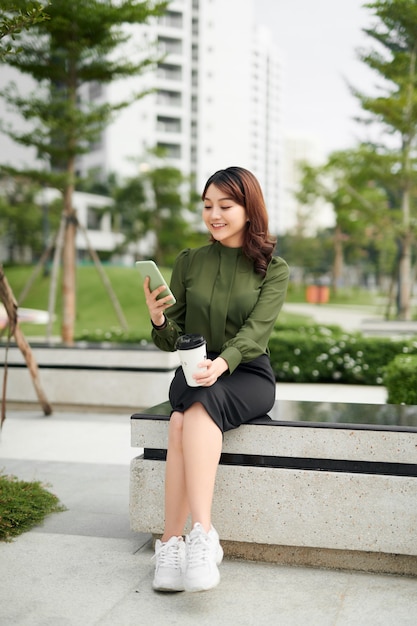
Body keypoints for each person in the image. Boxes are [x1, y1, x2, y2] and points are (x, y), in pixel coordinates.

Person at [143, 166, 289, 593]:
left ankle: (198, 535)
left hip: (247, 375)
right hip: (193, 370)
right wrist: (158, 318)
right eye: (208, 205)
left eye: (225, 205)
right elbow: (172, 337)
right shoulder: (190, 261)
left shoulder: (273, 269)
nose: (214, 214)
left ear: (249, 209)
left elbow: (255, 332)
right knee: (183, 415)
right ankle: (174, 542)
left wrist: (222, 364)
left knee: (185, 418)